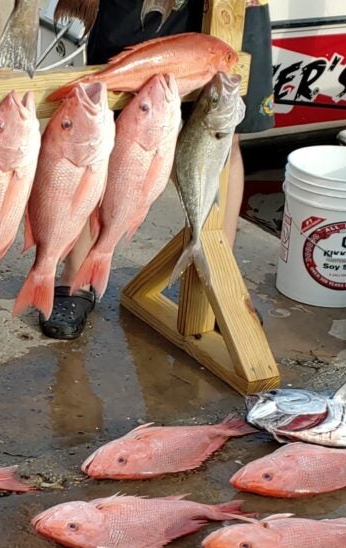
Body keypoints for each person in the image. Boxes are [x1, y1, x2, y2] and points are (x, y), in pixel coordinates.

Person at [40, 0, 275, 340]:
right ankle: (76, 274)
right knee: (111, 122)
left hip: (234, 8)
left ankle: (216, 279)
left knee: (224, 132)